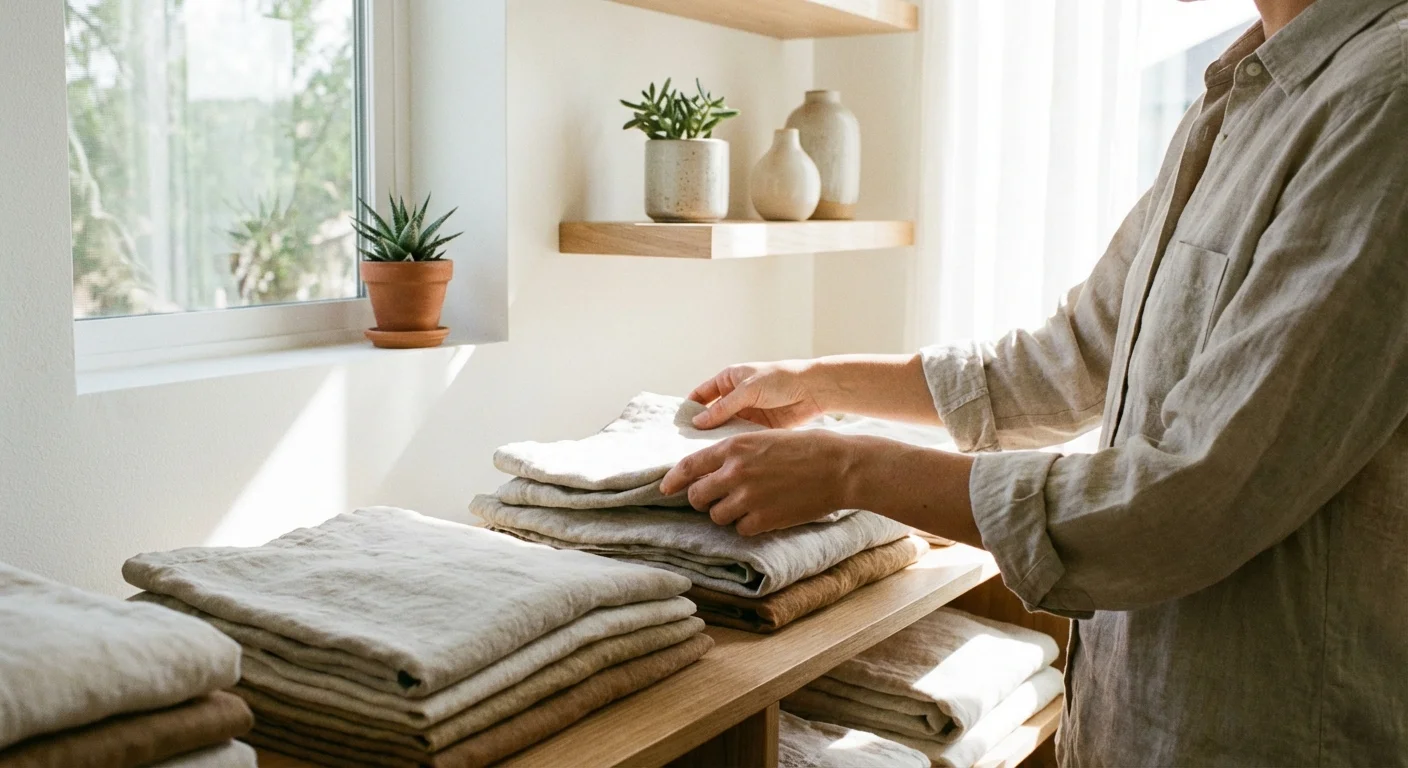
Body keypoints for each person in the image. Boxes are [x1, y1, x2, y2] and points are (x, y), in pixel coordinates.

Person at [659, 0, 1408, 764]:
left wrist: (850, 468)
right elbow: (1075, 355)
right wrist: (818, 384)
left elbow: (1193, 496)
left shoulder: (1387, 97)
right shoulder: (1243, 93)